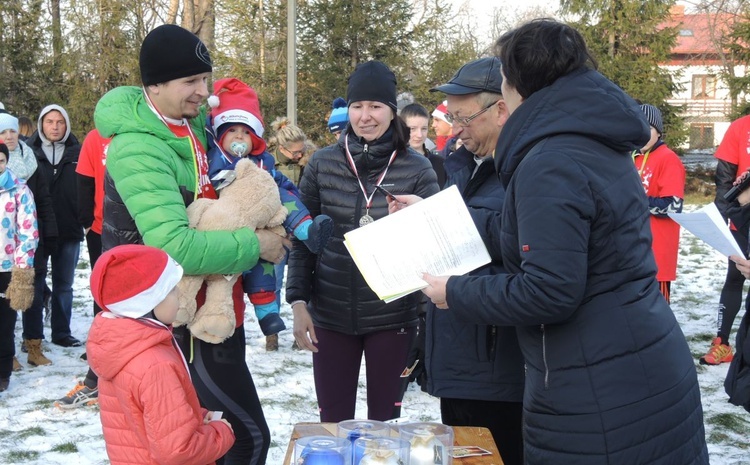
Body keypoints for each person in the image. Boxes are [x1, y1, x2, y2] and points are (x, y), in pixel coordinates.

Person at [415, 19, 707, 464]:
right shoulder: (591, 140)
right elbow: (550, 234)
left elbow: (549, 289)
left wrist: (453, 291)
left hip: (597, 388)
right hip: (636, 359)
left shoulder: (549, 159)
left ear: (514, 88)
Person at [65, 24, 290, 464]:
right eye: (190, 82)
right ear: (154, 85)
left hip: (203, 304)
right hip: (171, 318)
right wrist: (257, 244)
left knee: (210, 441)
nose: (204, 93)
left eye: (205, 79)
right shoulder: (139, 148)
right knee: (243, 438)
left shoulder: (186, 124)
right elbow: (176, 247)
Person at [287, 60, 440, 422]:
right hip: (330, 314)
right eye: (357, 106)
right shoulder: (323, 164)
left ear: (392, 112)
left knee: (384, 428)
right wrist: (297, 302)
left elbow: (437, 243)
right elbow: (302, 237)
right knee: (333, 423)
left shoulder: (417, 168)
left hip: (393, 317)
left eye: (375, 106)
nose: (365, 116)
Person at [423, 56, 524, 465]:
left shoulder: (526, 167)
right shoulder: (464, 164)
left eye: (463, 117)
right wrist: (425, 214)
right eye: (451, 116)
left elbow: (521, 240)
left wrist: (449, 223)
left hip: (499, 365)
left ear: (500, 110)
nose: (456, 128)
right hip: (459, 351)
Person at [206, 79, 333, 353]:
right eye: (232, 131)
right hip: (235, 223)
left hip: (267, 218)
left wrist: (291, 194)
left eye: (245, 132)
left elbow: (283, 185)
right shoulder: (216, 159)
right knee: (259, 274)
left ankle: (307, 232)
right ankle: (267, 319)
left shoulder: (264, 162)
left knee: (285, 202)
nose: (239, 137)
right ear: (219, 135)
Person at [86, 244, 235, 465]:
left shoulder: (121, 345)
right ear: (148, 300)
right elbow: (177, 451)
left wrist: (194, 416)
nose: (180, 296)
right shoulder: (155, 364)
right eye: (173, 290)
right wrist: (220, 432)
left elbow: (149, 414)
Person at [0, 113, 57, 368]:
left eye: (12, 131)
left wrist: (50, 233)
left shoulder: (32, 159)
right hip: (4, 249)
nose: (9, 136)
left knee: (32, 294)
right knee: (7, 303)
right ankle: (7, 352)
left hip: (31, 240)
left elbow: (43, 198)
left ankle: (34, 345)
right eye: (3, 133)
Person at [25, 104, 83, 348]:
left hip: (69, 228)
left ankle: (61, 333)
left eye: (60, 122)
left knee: (64, 285)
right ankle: (32, 337)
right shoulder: (28, 151)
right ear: (41, 124)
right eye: (50, 121)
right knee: (34, 285)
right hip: (36, 230)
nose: (55, 126)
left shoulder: (77, 152)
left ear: (66, 124)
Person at [704, 114, 750, 365]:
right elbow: (724, 179)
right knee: (735, 276)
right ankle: (723, 342)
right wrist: (723, 217)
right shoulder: (741, 126)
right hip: (742, 217)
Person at [267, 116, 314, 351]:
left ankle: (302, 333)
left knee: (303, 281)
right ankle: (272, 333)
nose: (299, 155)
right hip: (276, 230)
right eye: (295, 152)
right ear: (281, 148)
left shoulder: (310, 163)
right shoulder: (265, 164)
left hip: (301, 228)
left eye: (301, 151)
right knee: (274, 282)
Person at [632, 104, 685, 304]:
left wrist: (633, 201)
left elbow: (673, 206)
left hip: (658, 253)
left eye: (649, 129)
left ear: (659, 132)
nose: (643, 135)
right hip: (633, 251)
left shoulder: (668, 159)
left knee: (658, 313)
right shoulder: (632, 157)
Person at [0, 141, 38, 392]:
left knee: (4, 321)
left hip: (7, 267)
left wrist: (22, 268)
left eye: (0, 161)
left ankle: (3, 371)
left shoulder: (19, 190)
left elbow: (28, 230)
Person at [75, 129, 110, 365]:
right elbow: (84, 181)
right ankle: (100, 344)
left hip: (141, 227)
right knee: (102, 289)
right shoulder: (95, 137)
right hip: (100, 227)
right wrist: (86, 221)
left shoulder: (142, 131)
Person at [399, 103, 446, 187]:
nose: (419, 135)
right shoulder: (392, 163)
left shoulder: (440, 163)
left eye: (424, 129)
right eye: (413, 129)